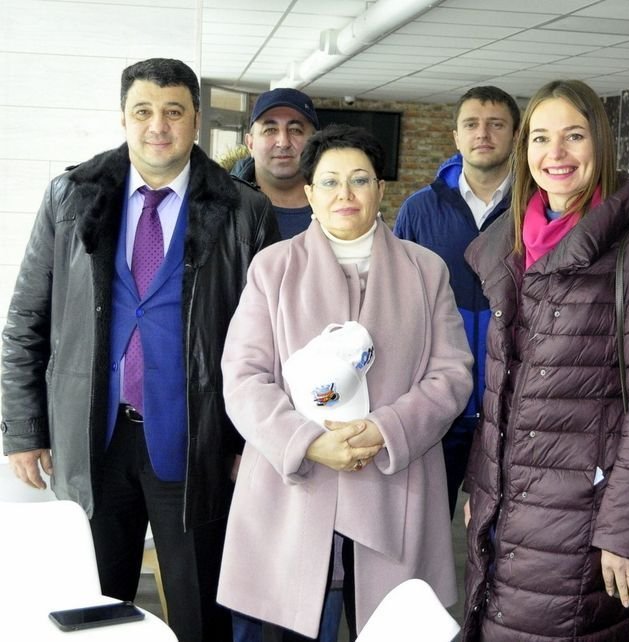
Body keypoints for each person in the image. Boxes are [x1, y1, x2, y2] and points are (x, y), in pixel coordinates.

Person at [0, 58, 279, 642]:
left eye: (174, 111)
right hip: (92, 441)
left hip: (197, 443)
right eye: (143, 111)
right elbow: (27, 318)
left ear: (196, 120)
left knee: (200, 612)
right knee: (93, 611)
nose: (158, 125)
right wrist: (24, 429)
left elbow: (271, 342)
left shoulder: (244, 210)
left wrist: (248, 441)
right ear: (123, 118)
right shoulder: (71, 196)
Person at [216, 124, 474, 641]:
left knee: (393, 628)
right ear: (310, 192)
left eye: (359, 179)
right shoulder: (274, 268)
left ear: (381, 189)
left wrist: (386, 429)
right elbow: (243, 378)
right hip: (296, 491)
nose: (345, 194)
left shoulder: (426, 271)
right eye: (330, 182)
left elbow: (450, 375)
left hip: (394, 486)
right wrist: (307, 441)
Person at [460, 79, 629, 641]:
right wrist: (481, 486)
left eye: (574, 136)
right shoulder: (512, 245)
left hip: (582, 520)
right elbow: (502, 389)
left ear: (600, 144)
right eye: (541, 137)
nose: (555, 153)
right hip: (505, 510)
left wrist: (626, 529)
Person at [227, 87, 343, 642]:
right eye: (269, 128)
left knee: (317, 584)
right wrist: (231, 443)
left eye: (296, 129)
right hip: (244, 430)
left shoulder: (344, 218)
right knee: (250, 583)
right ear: (250, 140)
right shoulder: (219, 214)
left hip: (326, 439)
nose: (282, 140)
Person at [393, 85, 521, 517]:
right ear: (456, 136)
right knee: (424, 525)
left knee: (509, 532)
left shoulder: (535, 210)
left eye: (496, 124)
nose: (482, 133)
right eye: (471, 124)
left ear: (515, 135)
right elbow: (396, 302)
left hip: (511, 406)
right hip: (436, 403)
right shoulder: (419, 210)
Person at [233, 87, 319, 239]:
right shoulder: (218, 210)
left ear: (315, 142)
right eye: (270, 130)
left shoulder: (346, 207)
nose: (283, 143)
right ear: (250, 144)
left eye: (295, 130)